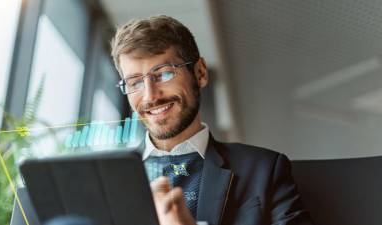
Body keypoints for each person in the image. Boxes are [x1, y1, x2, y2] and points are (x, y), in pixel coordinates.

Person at [110, 15, 313, 225]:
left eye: (164, 74)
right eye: (134, 83)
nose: (150, 96)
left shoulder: (263, 169)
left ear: (200, 73)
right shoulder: (107, 179)